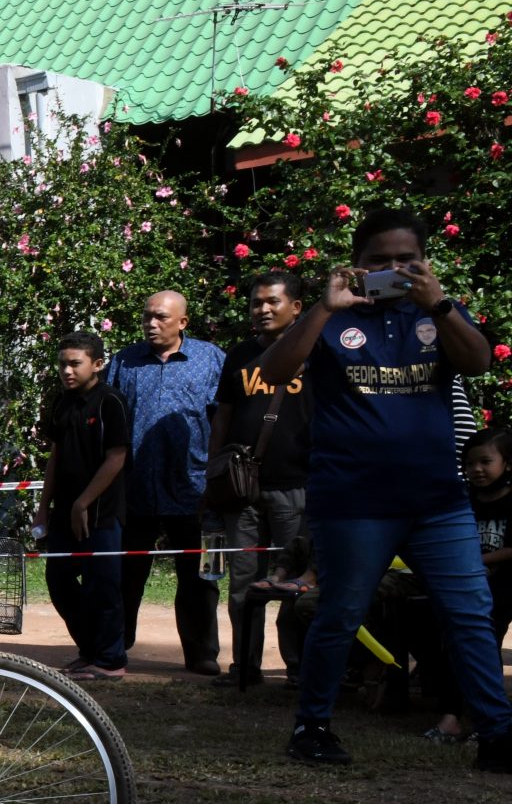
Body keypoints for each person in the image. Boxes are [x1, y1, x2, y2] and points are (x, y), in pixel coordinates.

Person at [246, 209, 510, 771]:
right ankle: (311, 728)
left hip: (438, 501)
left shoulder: (437, 313)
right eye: (380, 261)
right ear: (357, 265)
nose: (394, 269)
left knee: (469, 612)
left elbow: (479, 361)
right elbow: (272, 372)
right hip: (354, 502)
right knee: (341, 611)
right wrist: (323, 307)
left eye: (406, 259)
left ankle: (497, 734)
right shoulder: (332, 320)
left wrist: (437, 302)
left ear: (423, 261)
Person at [207, 271, 314, 687]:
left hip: (297, 487)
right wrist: (213, 470)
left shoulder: (316, 353)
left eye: (272, 302)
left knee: (292, 583)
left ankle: (297, 669)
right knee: (243, 583)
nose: (263, 309)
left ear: (297, 308)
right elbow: (224, 417)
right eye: (256, 303)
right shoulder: (238, 355)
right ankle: (245, 668)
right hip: (242, 489)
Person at [109, 289, 225, 675]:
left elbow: (224, 418)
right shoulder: (124, 362)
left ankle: (202, 653)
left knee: (200, 576)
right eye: (147, 316)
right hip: (135, 487)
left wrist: (216, 478)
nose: (151, 324)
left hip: (194, 488)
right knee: (126, 573)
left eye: (160, 317)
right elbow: (109, 420)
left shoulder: (209, 359)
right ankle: (114, 648)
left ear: (182, 322)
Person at [37, 332, 132, 678]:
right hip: (65, 512)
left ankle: (110, 660)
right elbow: (56, 457)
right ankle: (90, 650)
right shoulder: (61, 402)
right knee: (59, 580)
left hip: (102, 513)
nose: (67, 370)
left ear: (98, 364)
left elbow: (117, 458)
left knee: (103, 585)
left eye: (75, 363)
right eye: (63, 363)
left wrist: (84, 503)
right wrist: (44, 507)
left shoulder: (110, 402)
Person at [428, 427, 512, 743]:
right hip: (467, 585)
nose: (476, 469)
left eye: (485, 462)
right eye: (470, 463)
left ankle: (485, 718)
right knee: (455, 639)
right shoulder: (461, 501)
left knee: (480, 639)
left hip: (502, 586)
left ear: (508, 464)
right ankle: (451, 715)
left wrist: (472, 562)